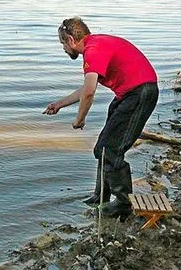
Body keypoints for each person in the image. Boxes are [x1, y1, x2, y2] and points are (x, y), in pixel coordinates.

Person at [43, 17, 158, 218]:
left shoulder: (93, 51)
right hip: (128, 94)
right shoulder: (96, 43)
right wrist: (59, 104)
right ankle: (101, 196)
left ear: (71, 39)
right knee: (103, 148)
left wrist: (79, 119)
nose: (63, 48)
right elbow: (86, 88)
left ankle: (123, 204)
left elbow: (89, 92)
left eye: (62, 43)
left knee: (110, 149)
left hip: (139, 94)